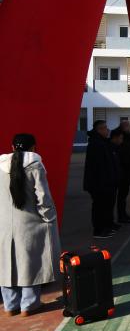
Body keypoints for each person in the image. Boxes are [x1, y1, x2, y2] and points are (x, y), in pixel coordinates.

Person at [0, 134, 61, 317]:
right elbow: (43, 197)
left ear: (12, 147)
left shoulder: (1, 165)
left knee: (6, 262)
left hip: (4, 223)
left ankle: (10, 305)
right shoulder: (35, 165)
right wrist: (49, 218)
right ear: (34, 147)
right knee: (31, 262)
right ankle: (29, 304)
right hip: (30, 223)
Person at [83, 120, 120, 239]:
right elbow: (98, 167)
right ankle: (98, 231)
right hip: (99, 183)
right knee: (99, 207)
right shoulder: (96, 144)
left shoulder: (103, 142)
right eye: (104, 128)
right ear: (99, 130)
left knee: (106, 206)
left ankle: (106, 226)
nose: (107, 130)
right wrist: (104, 182)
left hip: (105, 181)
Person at [115, 120, 130, 224]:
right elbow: (123, 157)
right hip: (123, 173)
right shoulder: (121, 139)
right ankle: (121, 216)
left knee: (124, 195)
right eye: (129, 126)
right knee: (122, 196)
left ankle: (123, 214)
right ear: (124, 127)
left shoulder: (127, 138)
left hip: (126, 172)